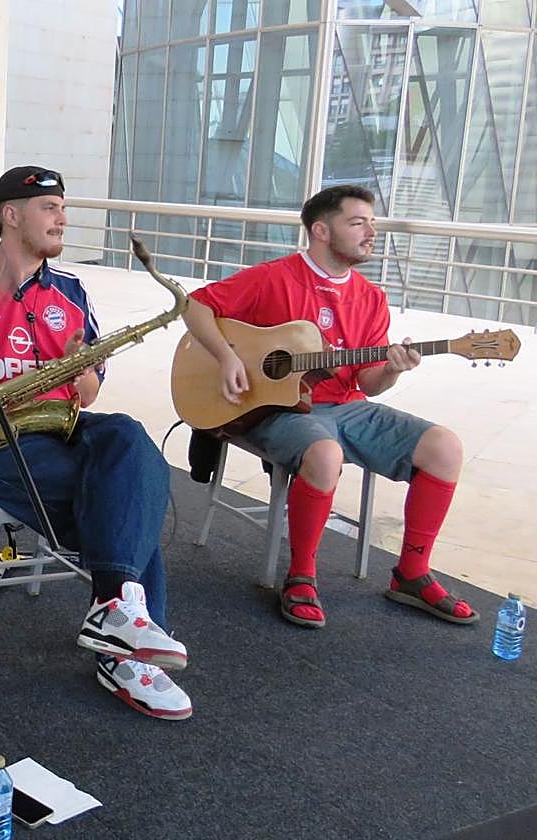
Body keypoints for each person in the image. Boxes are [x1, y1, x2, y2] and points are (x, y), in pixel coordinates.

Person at [0, 166, 192, 721]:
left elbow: (87, 391)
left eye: (63, 208)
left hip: (59, 425)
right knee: (131, 505)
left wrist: (77, 364)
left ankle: (114, 609)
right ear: (11, 215)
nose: (63, 218)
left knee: (128, 437)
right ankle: (126, 642)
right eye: (51, 207)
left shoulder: (72, 293)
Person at [182, 184, 476, 628]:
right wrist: (226, 357)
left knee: (445, 447)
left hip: (348, 408)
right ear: (321, 230)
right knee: (325, 453)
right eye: (358, 222)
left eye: (372, 222)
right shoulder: (273, 277)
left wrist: (394, 368)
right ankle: (301, 575)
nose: (371, 232)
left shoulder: (371, 298)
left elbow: (369, 384)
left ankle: (411, 575)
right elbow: (194, 306)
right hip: (273, 410)